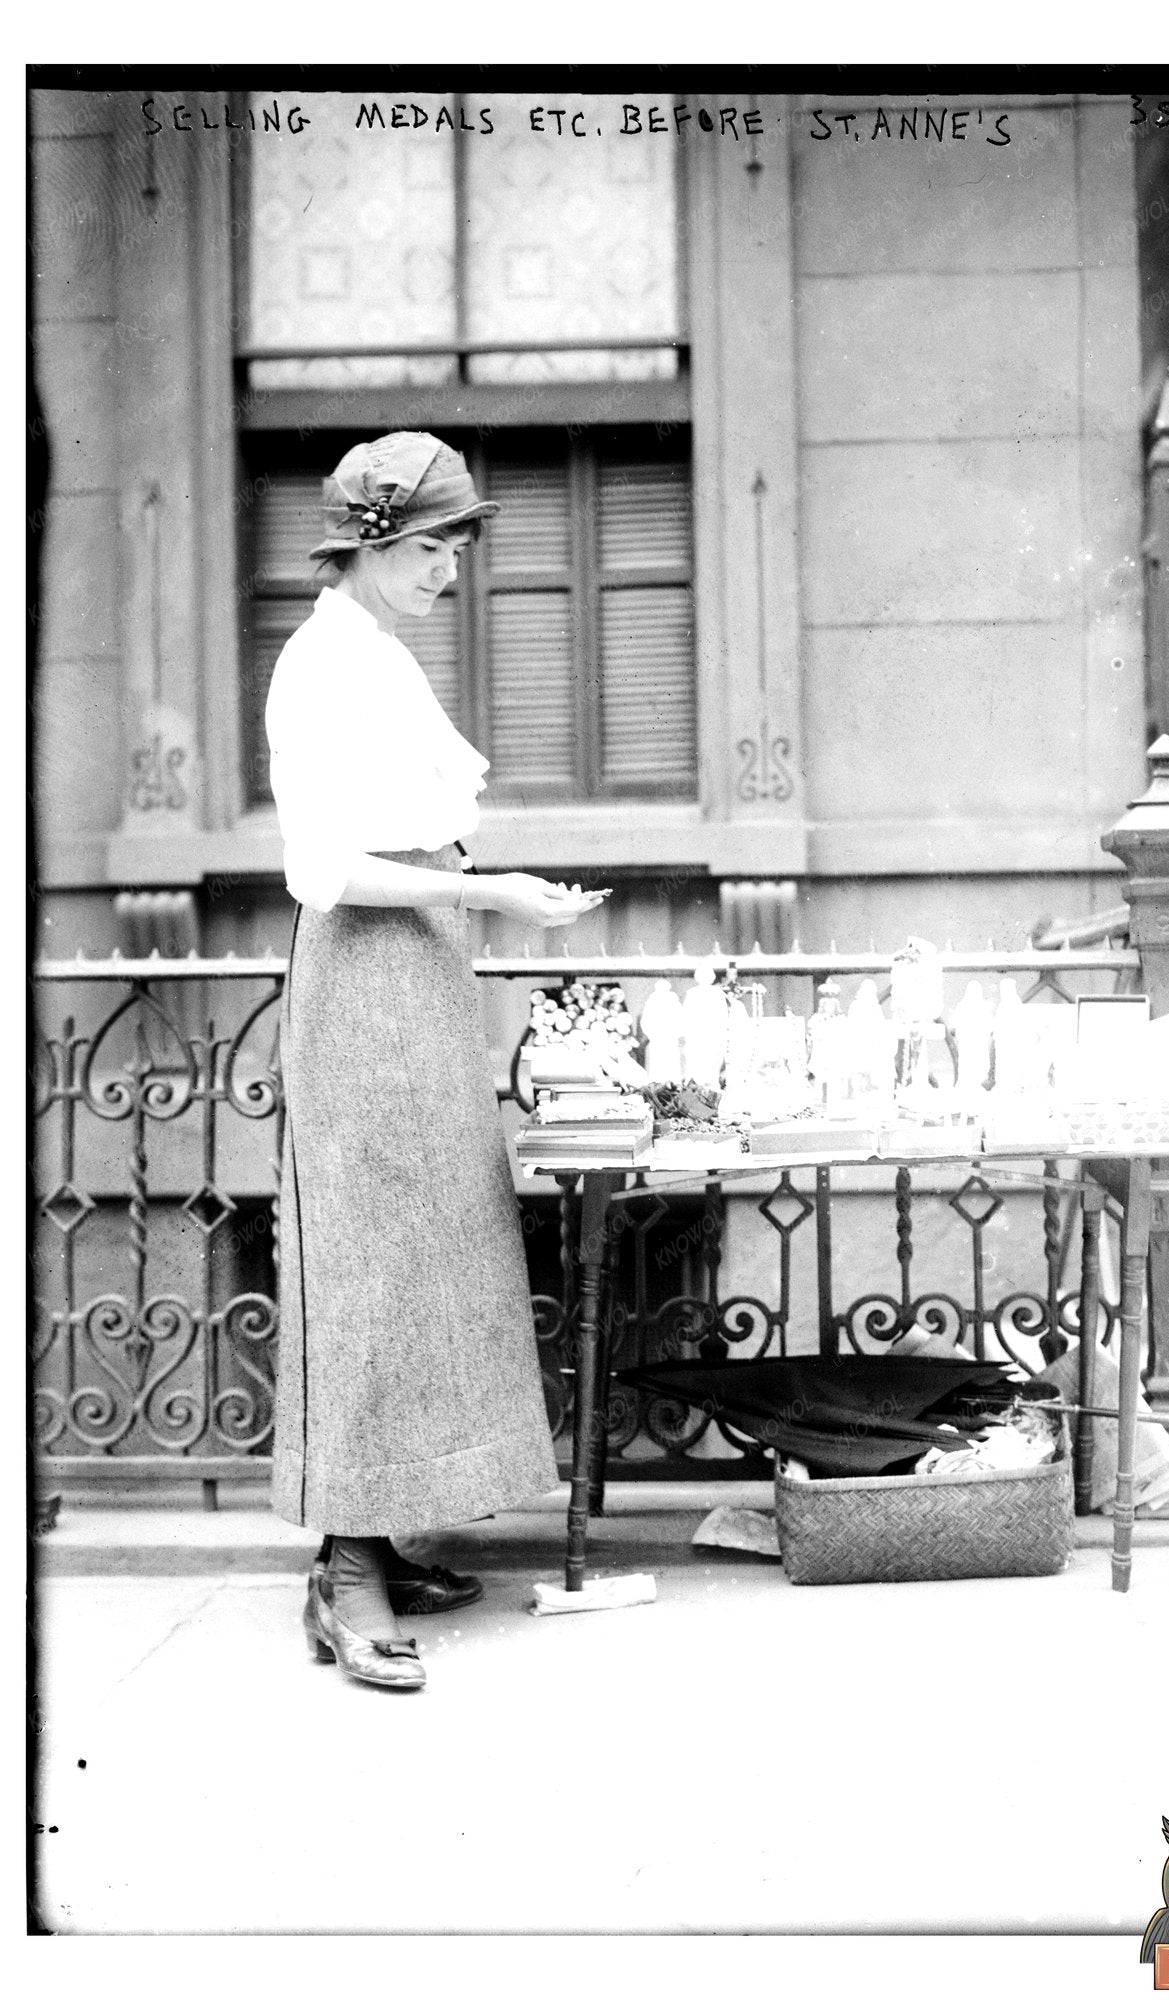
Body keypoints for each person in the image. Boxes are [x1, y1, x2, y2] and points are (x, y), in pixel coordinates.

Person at [265, 432, 606, 1692]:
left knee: (430, 1252)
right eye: (429, 546)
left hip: (418, 967)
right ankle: (345, 1569)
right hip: (363, 972)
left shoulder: (379, 652)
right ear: (367, 542)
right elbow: (324, 867)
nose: (449, 569)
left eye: (458, 546)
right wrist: (493, 891)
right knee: (368, 1260)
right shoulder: (319, 664)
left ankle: (388, 1535)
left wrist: (481, 892)